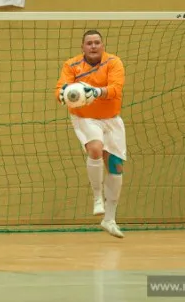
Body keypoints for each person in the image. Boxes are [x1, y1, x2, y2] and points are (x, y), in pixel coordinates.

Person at [55, 30, 126, 238]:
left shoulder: (113, 63)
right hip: (85, 117)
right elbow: (59, 90)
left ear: (102, 46)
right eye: (89, 43)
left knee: (116, 166)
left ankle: (109, 219)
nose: (93, 46)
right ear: (83, 47)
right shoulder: (72, 65)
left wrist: (96, 92)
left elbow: (116, 89)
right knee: (95, 149)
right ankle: (97, 197)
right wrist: (64, 94)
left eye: (97, 42)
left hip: (111, 118)